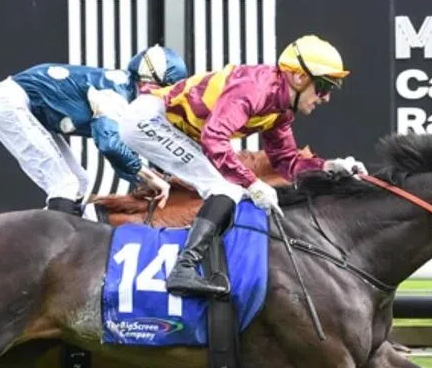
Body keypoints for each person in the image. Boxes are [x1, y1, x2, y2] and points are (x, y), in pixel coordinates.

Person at [121, 35, 368, 297]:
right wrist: (251, 182)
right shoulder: (254, 88)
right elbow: (214, 137)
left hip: (167, 125)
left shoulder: (281, 110)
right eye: (323, 86)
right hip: (148, 119)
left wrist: (329, 167)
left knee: (228, 187)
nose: (326, 97)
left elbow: (287, 162)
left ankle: (197, 265)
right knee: (227, 189)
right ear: (298, 77)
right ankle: (184, 269)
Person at [0, 45, 189, 217]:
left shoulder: (126, 93)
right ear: (146, 82)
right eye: (163, 91)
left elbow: (124, 150)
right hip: (8, 103)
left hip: (26, 107)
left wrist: (147, 175)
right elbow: (110, 145)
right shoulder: (114, 93)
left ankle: (47, 239)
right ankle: (50, 251)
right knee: (65, 185)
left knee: (81, 183)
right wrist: (150, 177)